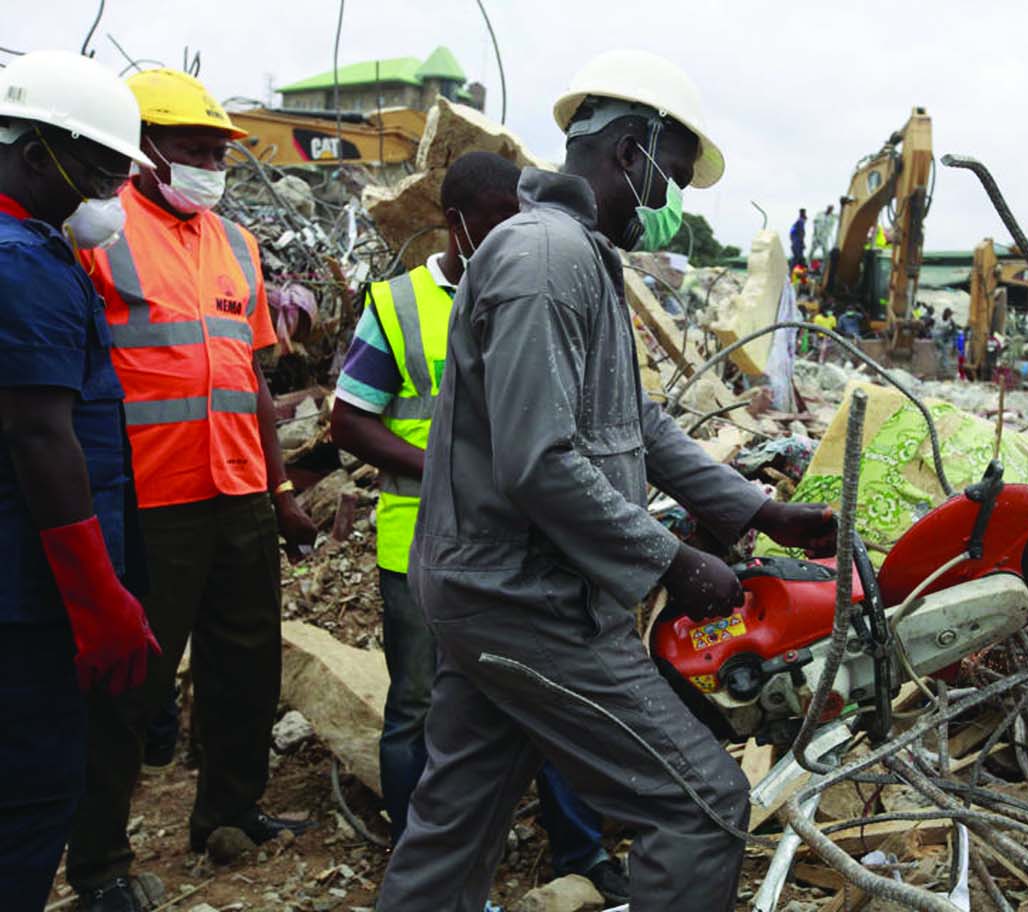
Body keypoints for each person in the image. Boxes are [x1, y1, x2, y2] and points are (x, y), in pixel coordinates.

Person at [376, 50, 836, 912]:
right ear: (631, 151)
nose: (668, 209)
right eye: (672, 182)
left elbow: (640, 425)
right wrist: (672, 562)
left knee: (452, 830)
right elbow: (540, 460)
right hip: (527, 600)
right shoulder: (547, 261)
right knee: (700, 807)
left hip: (500, 591)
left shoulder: (576, 256)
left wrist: (760, 511)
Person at [330, 151, 627, 903]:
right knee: (420, 713)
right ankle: (427, 864)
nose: (511, 242)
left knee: (549, 699)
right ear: (456, 227)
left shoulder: (544, 285)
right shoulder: (398, 305)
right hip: (421, 547)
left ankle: (579, 853)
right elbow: (349, 419)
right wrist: (443, 468)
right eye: (494, 228)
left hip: (528, 551)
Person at [67, 68, 318, 910]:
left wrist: (279, 488)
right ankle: (99, 859)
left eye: (220, 151)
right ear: (144, 151)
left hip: (239, 490)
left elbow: (249, 379)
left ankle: (229, 810)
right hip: (149, 500)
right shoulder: (96, 235)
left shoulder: (236, 243)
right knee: (131, 681)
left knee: (245, 665)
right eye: (195, 150)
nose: (212, 164)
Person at [0, 50, 162, 912]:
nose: (109, 195)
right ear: (35, 155)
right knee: (29, 801)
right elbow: (40, 435)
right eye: (98, 172)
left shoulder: (32, 250)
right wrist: (100, 602)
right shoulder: (22, 263)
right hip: (28, 598)